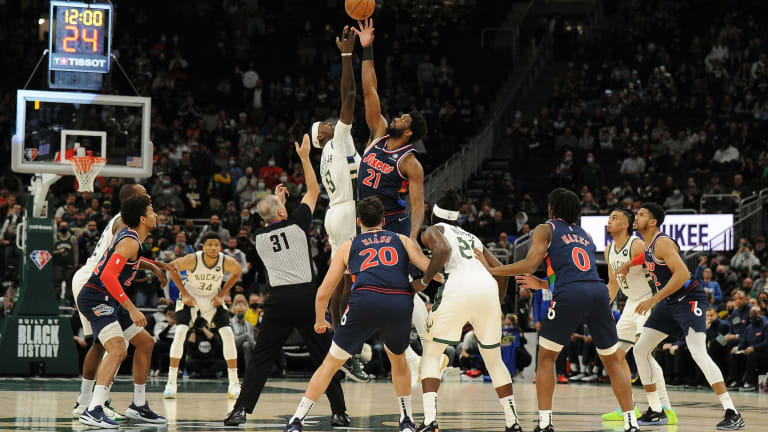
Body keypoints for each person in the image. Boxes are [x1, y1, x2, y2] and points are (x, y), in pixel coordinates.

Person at [478, 188, 638, 432]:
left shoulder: (546, 228)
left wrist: (494, 271)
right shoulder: (585, 235)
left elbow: (531, 264)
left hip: (570, 294)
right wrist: (543, 284)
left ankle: (545, 423)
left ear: (552, 208)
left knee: (546, 358)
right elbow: (576, 272)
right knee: (613, 361)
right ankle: (631, 423)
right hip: (598, 292)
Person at [281, 196, 439, 432]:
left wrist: (320, 320)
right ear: (383, 220)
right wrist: (439, 282)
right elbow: (431, 268)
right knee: (398, 360)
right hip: (398, 302)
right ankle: (406, 420)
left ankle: (297, 420)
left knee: (330, 364)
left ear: (358, 222)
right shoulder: (402, 240)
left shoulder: (349, 245)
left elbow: (323, 293)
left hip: (365, 301)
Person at [224, 135, 349, 427]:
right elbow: (314, 191)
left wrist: (276, 202)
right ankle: (339, 412)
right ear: (283, 211)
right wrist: (304, 157)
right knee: (324, 356)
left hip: (277, 301)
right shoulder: (297, 225)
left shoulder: (258, 238)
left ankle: (240, 410)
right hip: (306, 298)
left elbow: (271, 219)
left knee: (261, 358)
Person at [617, 203, 745, 429]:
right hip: (669, 303)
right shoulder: (648, 245)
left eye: (641, 214)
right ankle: (656, 411)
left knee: (698, 352)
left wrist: (653, 299)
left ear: (653, 222)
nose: (636, 217)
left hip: (689, 299)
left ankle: (732, 412)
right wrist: (629, 263)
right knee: (640, 349)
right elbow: (646, 258)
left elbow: (683, 274)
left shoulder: (662, 242)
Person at [352, 18, 431, 383]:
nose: (397, 116)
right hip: (365, 222)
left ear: (409, 131)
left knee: (396, 289)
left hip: (391, 224)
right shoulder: (379, 133)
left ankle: (428, 345)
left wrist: (412, 238)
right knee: (375, 290)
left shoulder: (410, 163)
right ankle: (410, 354)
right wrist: (366, 47)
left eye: (403, 117)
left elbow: (417, 205)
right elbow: (369, 89)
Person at [417, 190, 520, 432]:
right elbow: (502, 270)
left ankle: (430, 421)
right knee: (494, 360)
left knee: (431, 352)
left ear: (434, 215)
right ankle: (513, 422)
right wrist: (496, 303)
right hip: (487, 288)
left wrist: (424, 281)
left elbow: (442, 250)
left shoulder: (433, 230)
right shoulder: (473, 237)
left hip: (458, 285)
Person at [71, 185, 170, 422]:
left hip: (108, 293)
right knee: (114, 347)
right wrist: (132, 308)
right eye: (151, 209)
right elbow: (108, 274)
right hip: (97, 292)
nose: (156, 213)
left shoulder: (132, 238)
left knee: (145, 342)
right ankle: (92, 407)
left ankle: (138, 405)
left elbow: (124, 257)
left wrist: (154, 267)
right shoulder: (126, 231)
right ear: (141, 215)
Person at [310, 26, 368, 383]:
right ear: (322, 135)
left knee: (338, 278)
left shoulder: (325, 156)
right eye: (327, 125)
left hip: (334, 213)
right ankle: (346, 343)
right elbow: (349, 96)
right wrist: (347, 56)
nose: (333, 123)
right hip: (346, 211)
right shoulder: (339, 141)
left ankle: (337, 337)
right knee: (350, 279)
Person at [600, 208, 677, 425]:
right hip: (630, 304)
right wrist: (602, 307)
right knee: (615, 356)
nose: (609, 221)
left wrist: (658, 300)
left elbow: (657, 267)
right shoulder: (608, 250)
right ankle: (629, 405)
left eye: (615, 218)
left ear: (626, 224)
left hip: (648, 299)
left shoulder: (636, 245)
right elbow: (613, 283)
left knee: (643, 352)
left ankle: (665, 408)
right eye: (609, 218)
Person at [163, 232, 244, 399]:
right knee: (180, 333)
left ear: (220, 247)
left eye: (216, 245)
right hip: (191, 296)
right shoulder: (193, 259)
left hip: (212, 298)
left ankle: (234, 383)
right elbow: (171, 267)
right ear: (204, 246)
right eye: (210, 244)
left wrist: (222, 294)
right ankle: (171, 382)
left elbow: (238, 271)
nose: (213, 248)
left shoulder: (225, 261)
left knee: (228, 334)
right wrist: (184, 293)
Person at [726, 306, 768, 391]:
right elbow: (743, 342)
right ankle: (735, 380)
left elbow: (766, 343)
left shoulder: (765, 325)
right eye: (752, 314)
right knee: (732, 353)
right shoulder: (748, 327)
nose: (754, 316)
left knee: (751, 354)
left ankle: (749, 382)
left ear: (761, 314)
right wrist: (738, 347)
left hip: (762, 353)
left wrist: (754, 348)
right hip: (747, 350)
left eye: (756, 313)